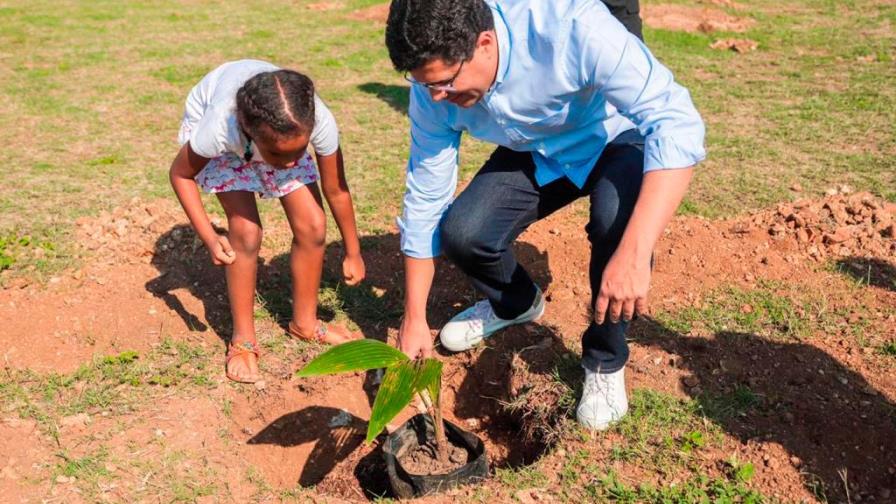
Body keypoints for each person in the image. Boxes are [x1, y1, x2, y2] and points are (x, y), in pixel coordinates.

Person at [385, 0, 706, 430]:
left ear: (484, 43)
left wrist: (635, 252)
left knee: (616, 223)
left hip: (614, 134)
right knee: (464, 232)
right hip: (541, 151)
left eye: (446, 84)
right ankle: (516, 303)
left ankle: (605, 362)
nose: (438, 97)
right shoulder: (432, 91)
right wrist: (415, 317)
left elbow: (676, 121)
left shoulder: (572, 25)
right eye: (426, 86)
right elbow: (426, 195)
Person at [170, 59, 365, 383]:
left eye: (299, 152)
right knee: (246, 232)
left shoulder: (313, 121)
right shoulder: (220, 127)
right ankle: (243, 339)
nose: (290, 164)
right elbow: (180, 174)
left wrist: (353, 251)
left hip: (269, 135)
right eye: (279, 157)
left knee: (313, 223)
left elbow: (336, 189)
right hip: (230, 144)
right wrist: (209, 236)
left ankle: (305, 323)